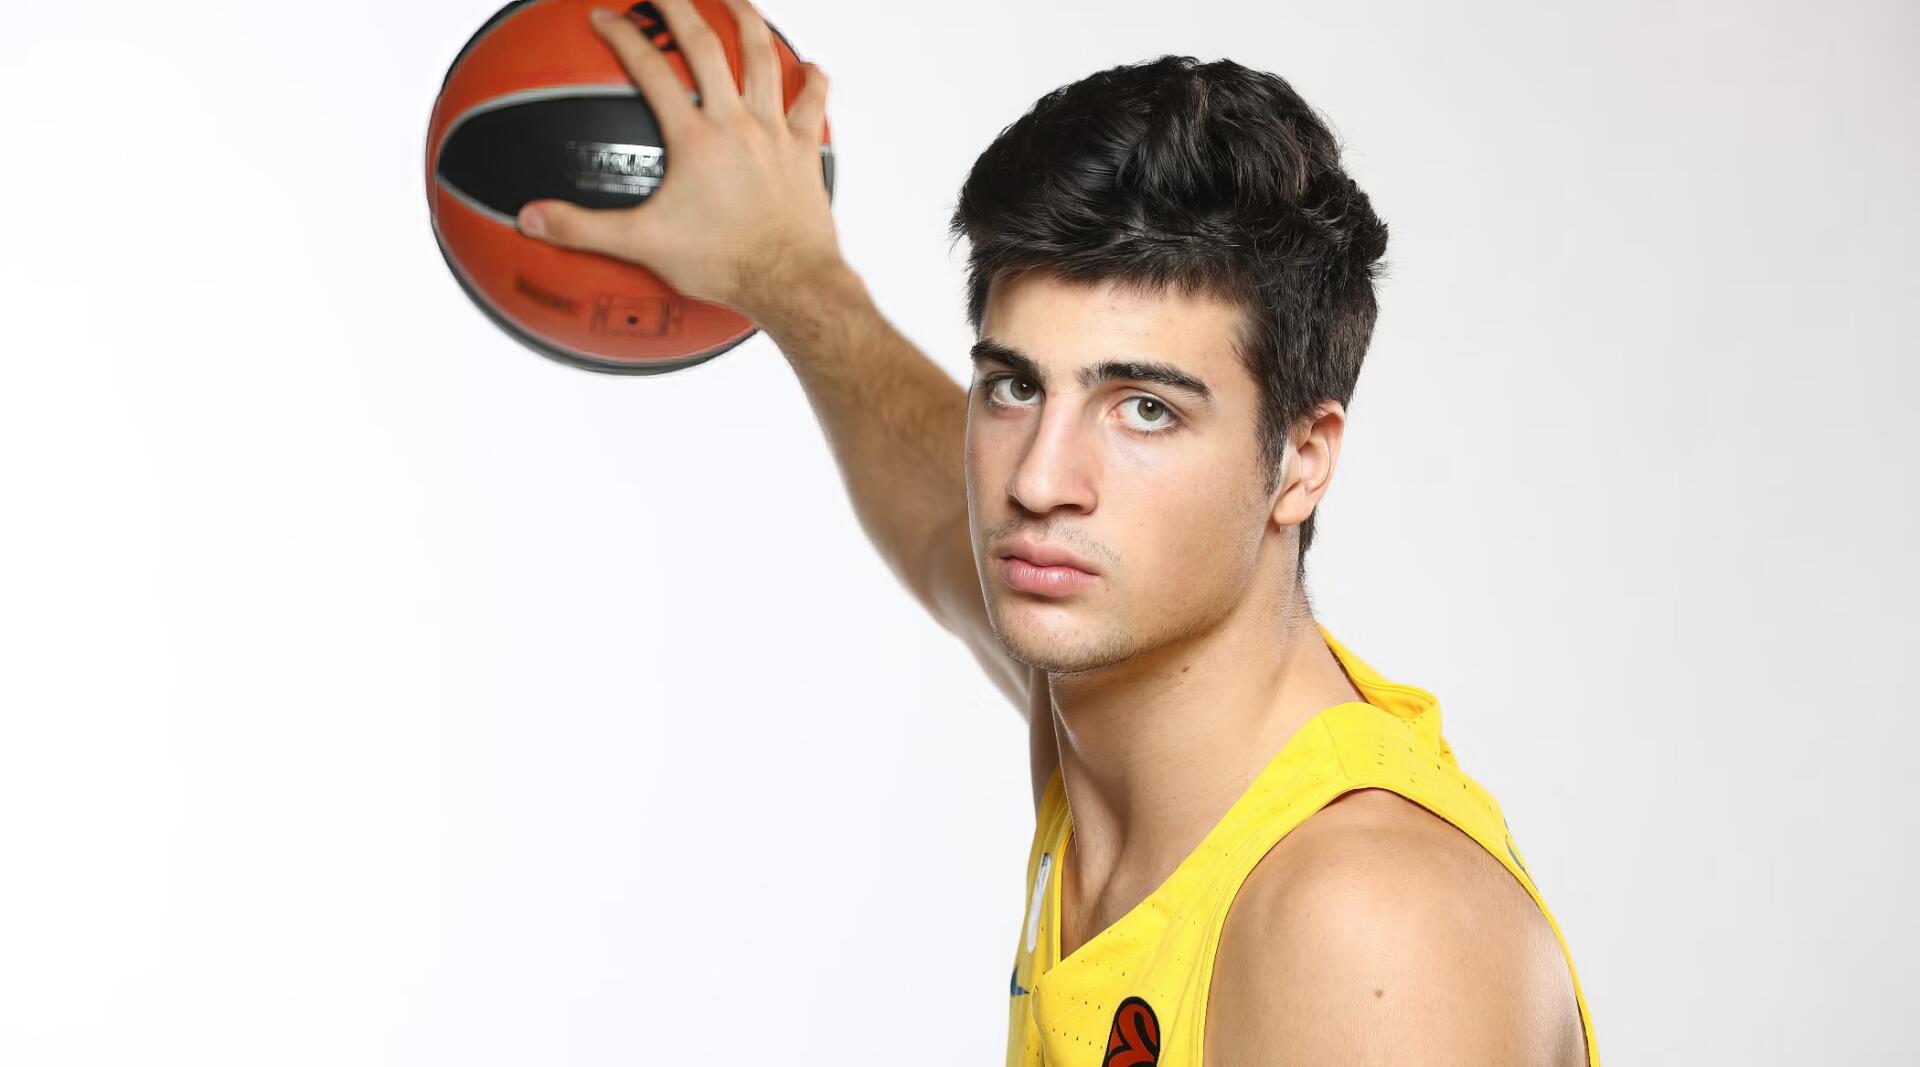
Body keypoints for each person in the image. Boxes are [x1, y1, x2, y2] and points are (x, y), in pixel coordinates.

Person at [516, 2, 1600, 1063]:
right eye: (1015, 387)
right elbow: (940, 505)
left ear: (1300, 460)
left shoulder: (1365, 926)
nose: (1039, 480)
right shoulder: (1099, 724)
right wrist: (786, 271)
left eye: (1146, 409)